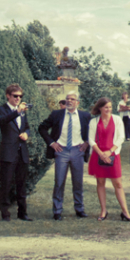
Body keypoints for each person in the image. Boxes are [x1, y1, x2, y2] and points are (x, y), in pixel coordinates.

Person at [37, 91, 92, 220]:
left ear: (77, 102)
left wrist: (87, 143)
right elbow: (42, 128)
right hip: (61, 151)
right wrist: (51, 143)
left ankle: (79, 209)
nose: (69, 101)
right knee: (59, 181)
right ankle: (57, 211)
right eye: (67, 99)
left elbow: (93, 131)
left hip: (77, 151)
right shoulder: (57, 114)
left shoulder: (85, 116)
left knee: (78, 182)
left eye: (72, 99)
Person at [87, 97, 130, 222]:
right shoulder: (93, 122)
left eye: (110, 107)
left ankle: (125, 212)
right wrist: (101, 154)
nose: (108, 109)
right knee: (100, 183)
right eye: (106, 107)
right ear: (100, 108)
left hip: (113, 154)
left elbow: (121, 137)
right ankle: (103, 211)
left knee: (118, 184)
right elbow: (91, 140)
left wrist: (110, 151)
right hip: (98, 154)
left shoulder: (117, 120)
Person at [0, 84, 32, 222]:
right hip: (8, 152)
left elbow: (27, 127)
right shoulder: (1, 110)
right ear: (8, 96)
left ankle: (23, 213)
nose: (18, 99)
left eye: (20, 96)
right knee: (6, 184)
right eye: (15, 96)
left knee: (22, 184)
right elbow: (2, 121)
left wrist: (26, 134)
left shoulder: (22, 111)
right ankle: (5, 214)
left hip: (22, 151)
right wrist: (17, 111)